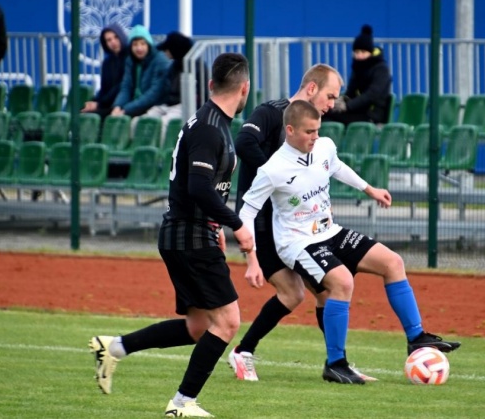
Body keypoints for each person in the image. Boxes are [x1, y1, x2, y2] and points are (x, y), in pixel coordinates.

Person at [239, 100, 461, 384]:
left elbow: (337, 167)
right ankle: (336, 364)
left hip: (329, 231)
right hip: (297, 243)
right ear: (290, 130)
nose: (315, 137)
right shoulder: (273, 169)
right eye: (309, 132)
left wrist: (370, 189)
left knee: (393, 262)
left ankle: (416, 337)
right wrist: (252, 258)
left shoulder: (324, 146)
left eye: (318, 130)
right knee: (342, 282)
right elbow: (246, 212)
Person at [89, 52, 254, 418]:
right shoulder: (210, 128)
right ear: (244, 88)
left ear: (211, 84)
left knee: (198, 327)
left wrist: (216, 224)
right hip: (189, 236)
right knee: (228, 322)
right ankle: (181, 404)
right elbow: (198, 187)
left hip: (189, 233)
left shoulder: (210, 121)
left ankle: (113, 348)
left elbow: (205, 187)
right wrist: (236, 223)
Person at [227, 64, 376, 382]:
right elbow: (243, 142)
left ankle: (337, 363)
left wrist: (367, 188)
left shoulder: (313, 132)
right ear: (311, 89)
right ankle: (243, 352)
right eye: (330, 96)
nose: (332, 104)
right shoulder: (271, 112)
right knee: (293, 293)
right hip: (264, 223)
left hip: (294, 227)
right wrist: (278, 176)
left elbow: (333, 166)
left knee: (326, 292)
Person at [323, 25, 391, 126]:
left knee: (329, 115)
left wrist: (348, 106)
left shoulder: (381, 69)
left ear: (370, 53)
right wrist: (341, 99)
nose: (359, 55)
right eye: (357, 52)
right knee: (324, 112)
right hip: (357, 111)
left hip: (372, 115)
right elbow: (351, 91)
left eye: (363, 52)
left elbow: (372, 94)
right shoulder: (358, 68)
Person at [141, 31, 194, 146]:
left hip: (185, 106)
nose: (165, 52)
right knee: (144, 119)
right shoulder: (173, 66)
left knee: (165, 123)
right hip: (168, 105)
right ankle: (140, 148)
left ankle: (160, 151)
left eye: (167, 49)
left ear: (175, 50)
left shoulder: (195, 66)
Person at [111, 24, 169, 120]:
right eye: (135, 44)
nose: (139, 48)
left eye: (143, 44)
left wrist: (126, 109)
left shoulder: (160, 60)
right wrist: (118, 106)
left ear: (149, 44)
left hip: (157, 106)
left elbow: (154, 94)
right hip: (135, 106)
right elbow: (126, 87)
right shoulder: (130, 61)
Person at [80, 24, 128, 119]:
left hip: (121, 104)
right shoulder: (107, 63)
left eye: (116, 37)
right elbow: (104, 89)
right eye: (108, 40)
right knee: (80, 111)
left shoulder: (130, 59)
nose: (113, 42)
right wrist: (94, 101)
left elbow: (121, 86)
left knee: (91, 117)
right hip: (106, 104)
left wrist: (99, 104)